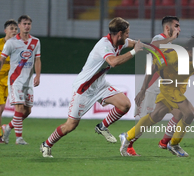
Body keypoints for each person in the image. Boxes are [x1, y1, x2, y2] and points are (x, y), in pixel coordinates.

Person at [40, 17, 150, 158]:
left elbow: (135, 43)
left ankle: (102, 126)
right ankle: (47, 144)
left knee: (125, 104)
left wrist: (151, 49)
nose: (129, 35)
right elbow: (113, 62)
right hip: (84, 88)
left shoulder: (120, 42)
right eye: (127, 33)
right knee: (71, 125)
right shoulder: (104, 45)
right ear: (120, 33)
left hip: (100, 85)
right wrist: (134, 52)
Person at [130, 16, 183, 156]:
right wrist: (142, 90)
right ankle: (128, 143)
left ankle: (165, 143)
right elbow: (155, 47)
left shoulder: (171, 46)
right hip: (151, 87)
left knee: (180, 112)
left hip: (165, 88)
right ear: (167, 28)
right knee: (145, 121)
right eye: (176, 26)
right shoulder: (158, 38)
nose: (179, 29)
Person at [0, 15, 41, 145]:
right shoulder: (11, 42)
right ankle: (19, 138)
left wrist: (38, 76)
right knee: (19, 108)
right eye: (24, 24)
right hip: (15, 80)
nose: (27, 26)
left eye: (29, 23)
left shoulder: (35, 42)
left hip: (28, 81)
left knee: (27, 111)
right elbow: (1, 60)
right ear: (19, 26)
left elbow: (37, 59)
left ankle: (8, 127)